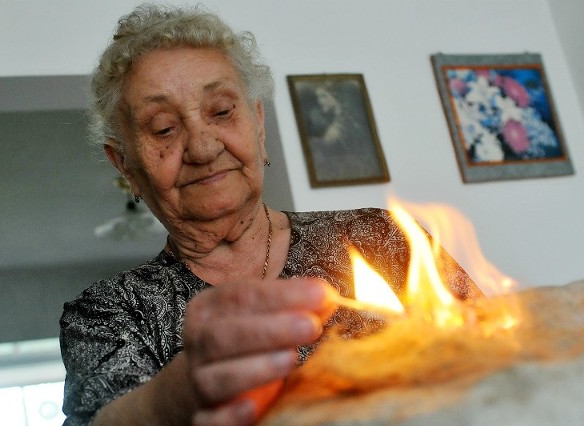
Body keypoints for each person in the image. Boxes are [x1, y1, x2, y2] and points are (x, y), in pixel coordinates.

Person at [59, 4, 482, 426]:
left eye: (222, 111)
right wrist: (178, 396)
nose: (203, 148)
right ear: (125, 165)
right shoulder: (109, 313)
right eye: (164, 128)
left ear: (258, 123)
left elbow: (496, 354)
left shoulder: (379, 237)